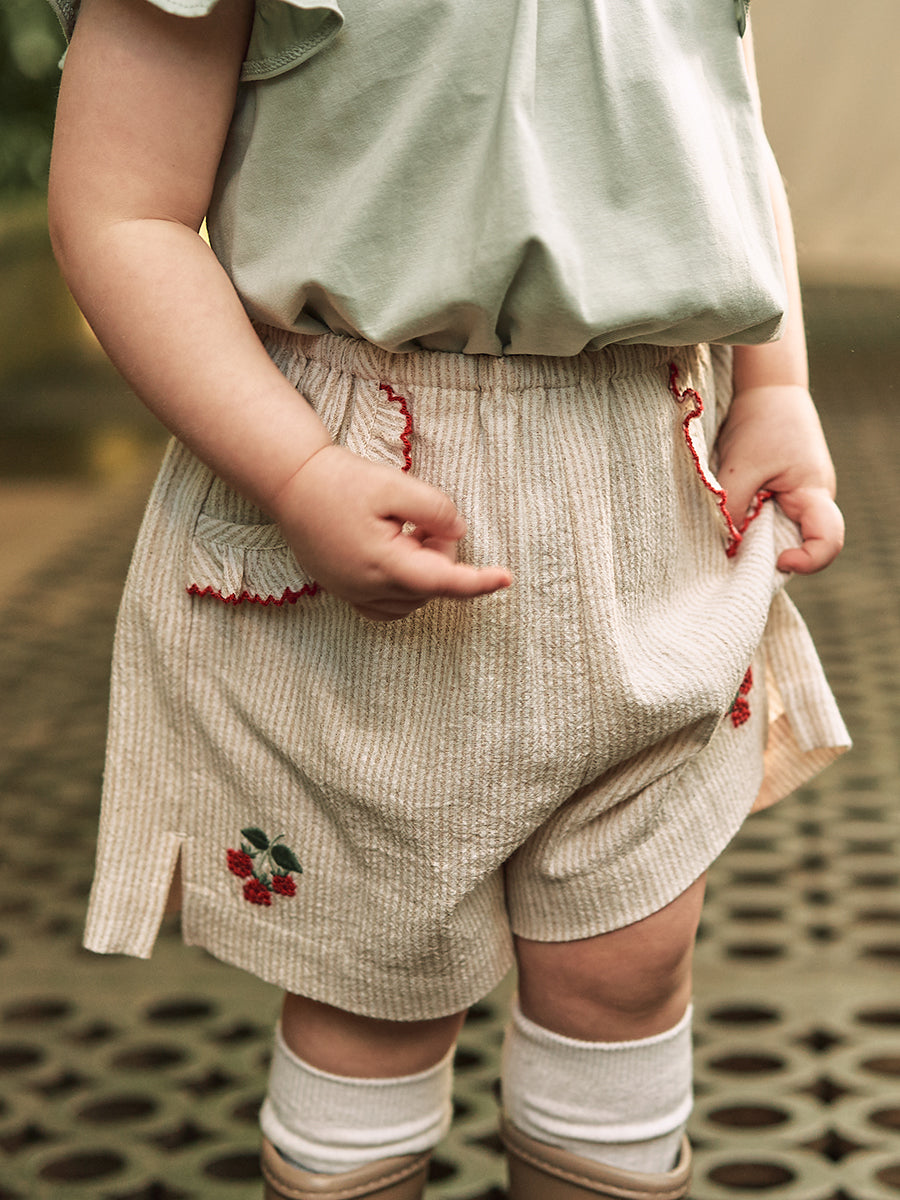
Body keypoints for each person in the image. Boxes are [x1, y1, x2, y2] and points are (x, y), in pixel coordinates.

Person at [45, 1, 850, 1197]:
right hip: (361, 491)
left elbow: (714, 117)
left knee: (629, 964)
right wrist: (297, 471)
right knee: (371, 992)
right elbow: (123, 208)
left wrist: (775, 383)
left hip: (655, 500)